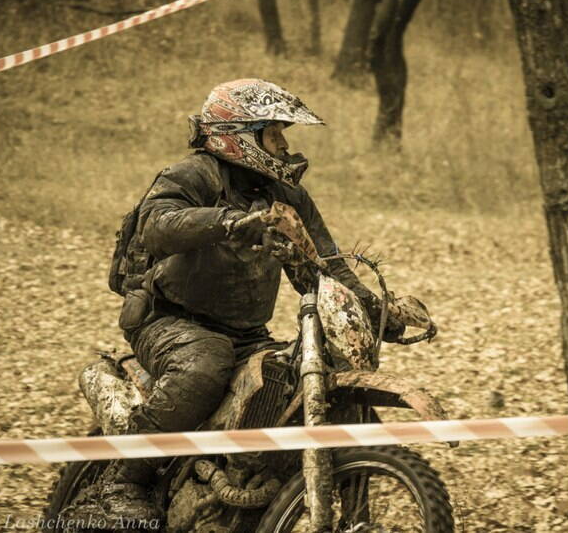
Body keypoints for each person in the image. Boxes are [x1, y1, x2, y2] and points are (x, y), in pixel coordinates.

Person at [63, 78, 404, 526]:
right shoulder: (193, 174)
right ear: (239, 135)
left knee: (299, 379)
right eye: (273, 134)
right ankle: (123, 480)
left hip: (247, 332)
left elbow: (325, 264)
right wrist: (230, 222)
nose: (284, 145)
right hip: (170, 321)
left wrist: (376, 310)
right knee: (205, 364)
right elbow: (157, 225)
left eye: (282, 134)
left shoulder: (287, 196)